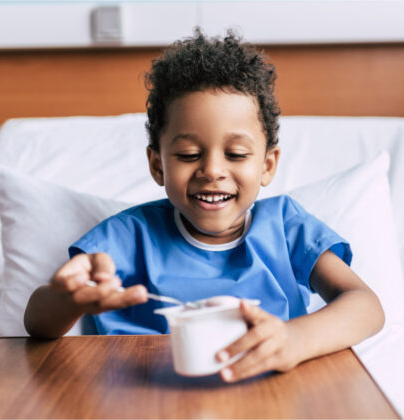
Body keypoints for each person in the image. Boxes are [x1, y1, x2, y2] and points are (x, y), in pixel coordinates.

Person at [24, 29, 384, 383]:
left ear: (268, 165)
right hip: (145, 399)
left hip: (271, 397)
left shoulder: (287, 228)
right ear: (158, 165)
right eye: (189, 154)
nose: (212, 170)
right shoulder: (128, 237)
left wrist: (295, 340)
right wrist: (67, 300)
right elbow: (37, 323)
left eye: (236, 154)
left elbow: (365, 306)